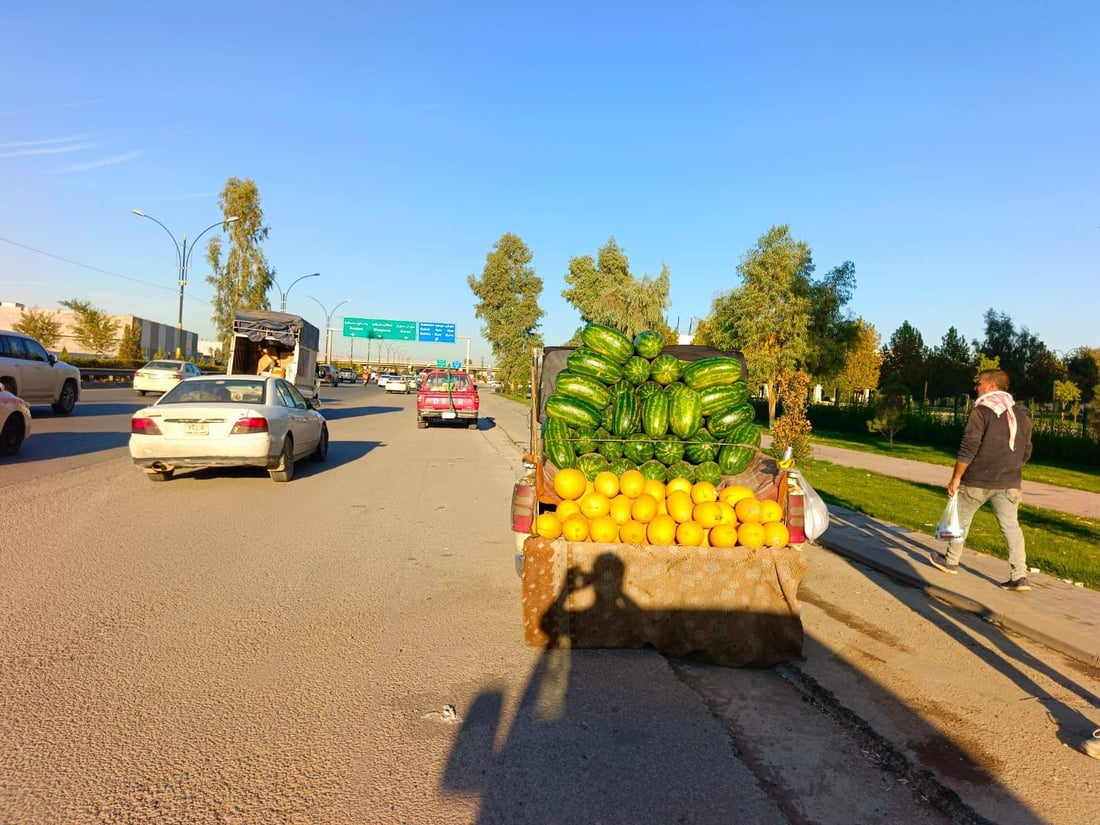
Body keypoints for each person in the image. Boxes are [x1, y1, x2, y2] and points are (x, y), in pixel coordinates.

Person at [929, 369, 1034, 591]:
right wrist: (1011, 469)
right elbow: (1026, 451)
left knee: (960, 520)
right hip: (1010, 483)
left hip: (977, 480)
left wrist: (955, 478)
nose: (976, 388)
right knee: (1011, 527)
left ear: (992, 386)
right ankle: (1020, 576)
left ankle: (950, 561)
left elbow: (968, 449)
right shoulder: (1022, 417)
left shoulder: (981, 412)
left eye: (979, 383)